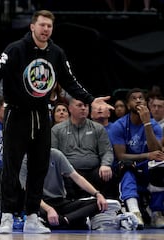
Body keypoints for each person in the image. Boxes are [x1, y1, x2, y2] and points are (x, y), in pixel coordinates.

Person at [0, 9, 113, 234]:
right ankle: (7, 216)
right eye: (42, 25)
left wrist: (91, 99)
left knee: (39, 167)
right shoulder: (15, 49)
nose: (46, 29)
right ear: (32, 27)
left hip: (41, 115)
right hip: (17, 115)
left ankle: (31, 217)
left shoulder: (56, 53)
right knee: (11, 166)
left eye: (49, 26)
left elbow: (70, 81)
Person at [109, 88, 164, 229]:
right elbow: (120, 156)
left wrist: (146, 124)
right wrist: (146, 155)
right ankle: (134, 212)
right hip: (126, 167)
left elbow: (156, 151)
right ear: (128, 105)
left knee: (160, 162)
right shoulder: (119, 126)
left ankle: (157, 212)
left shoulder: (153, 125)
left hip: (147, 167)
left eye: (141, 98)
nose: (138, 100)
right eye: (134, 98)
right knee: (127, 166)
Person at [19, 148, 108, 230]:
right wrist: (49, 209)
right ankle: (73, 220)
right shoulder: (25, 160)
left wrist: (97, 194)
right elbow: (28, 192)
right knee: (33, 210)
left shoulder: (56, 154)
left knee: (97, 203)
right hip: (40, 203)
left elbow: (77, 177)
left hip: (60, 202)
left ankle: (64, 220)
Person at [51, 97, 115, 200]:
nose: (83, 108)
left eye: (86, 106)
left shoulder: (98, 128)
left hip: (94, 170)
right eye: (79, 105)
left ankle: (109, 207)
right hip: (69, 171)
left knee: (107, 172)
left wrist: (106, 164)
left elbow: (107, 151)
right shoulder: (57, 130)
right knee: (62, 176)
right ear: (70, 108)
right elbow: (53, 154)